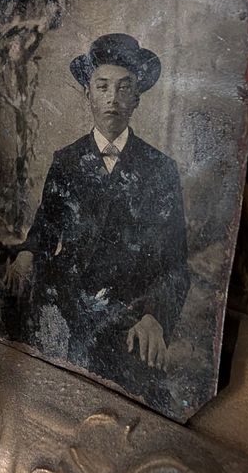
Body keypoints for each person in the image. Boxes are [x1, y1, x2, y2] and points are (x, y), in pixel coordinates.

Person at [21, 33, 189, 396]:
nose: (112, 98)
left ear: (137, 98)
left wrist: (156, 316)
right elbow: (46, 229)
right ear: (88, 94)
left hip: (131, 317)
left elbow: (175, 262)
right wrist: (26, 253)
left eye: (124, 88)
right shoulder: (66, 161)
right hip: (68, 309)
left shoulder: (160, 170)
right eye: (102, 86)